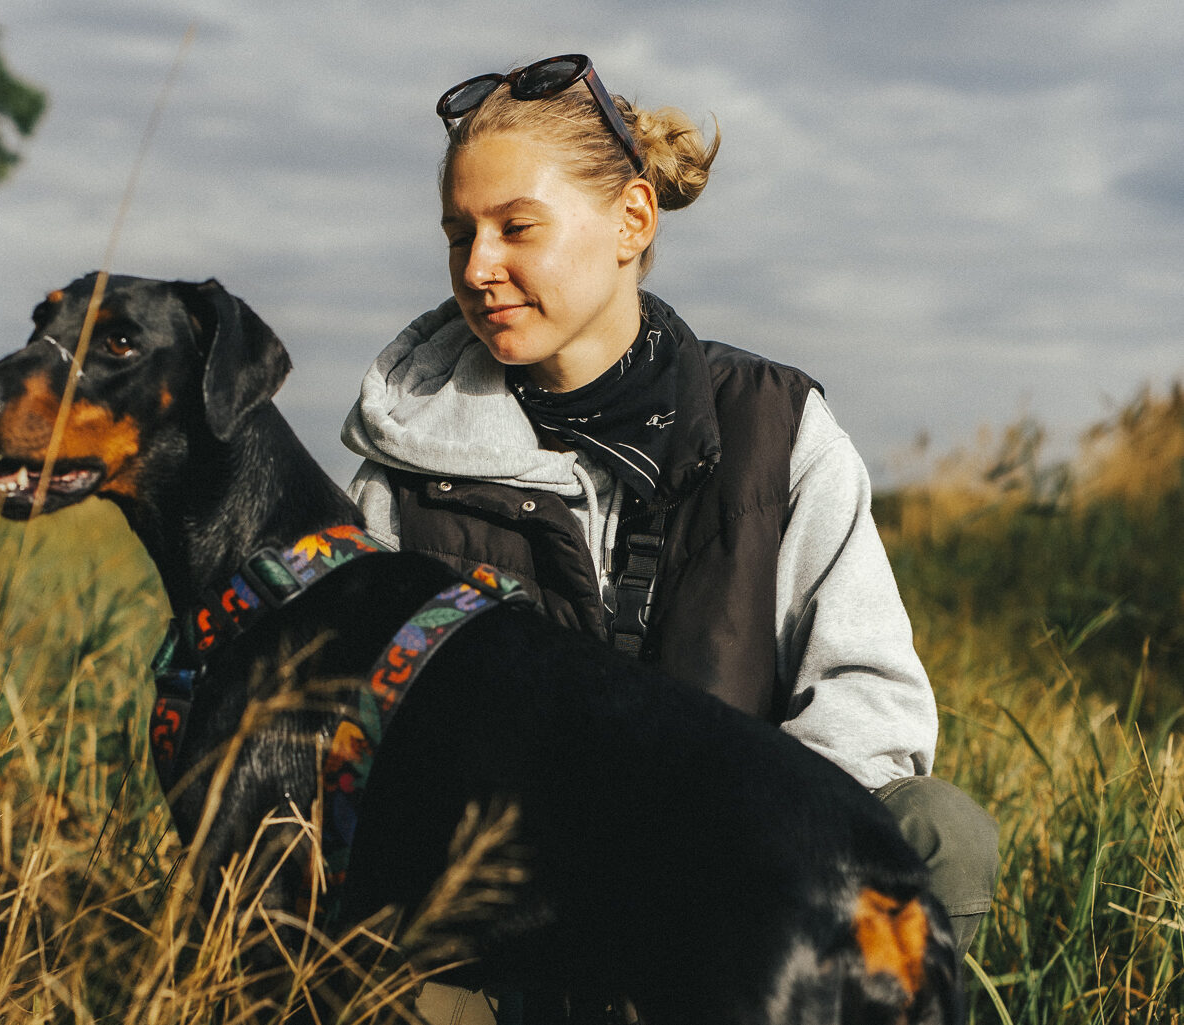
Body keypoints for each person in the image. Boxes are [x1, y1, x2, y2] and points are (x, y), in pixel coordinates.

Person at [340, 54, 998, 1023]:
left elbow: (873, 711)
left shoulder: (781, 431)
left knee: (937, 834)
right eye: (458, 234)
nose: (477, 267)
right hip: (507, 935)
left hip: (743, 900)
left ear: (632, 223)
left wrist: (720, 859)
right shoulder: (400, 475)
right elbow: (359, 757)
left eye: (516, 227)